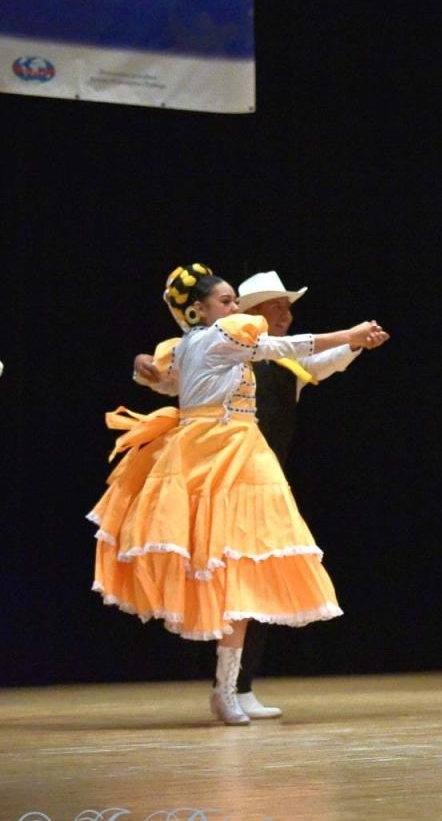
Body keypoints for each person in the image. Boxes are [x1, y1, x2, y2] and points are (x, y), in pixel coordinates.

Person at [94, 263, 389, 725]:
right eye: (226, 301)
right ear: (200, 310)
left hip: (234, 455)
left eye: (234, 301)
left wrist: (145, 370)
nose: (233, 308)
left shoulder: (199, 343)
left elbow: (174, 381)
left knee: (241, 570)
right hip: (219, 455)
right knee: (229, 568)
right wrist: (347, 331)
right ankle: (229, 688)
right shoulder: (217, 338)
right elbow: (283, 345)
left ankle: (229, 688)